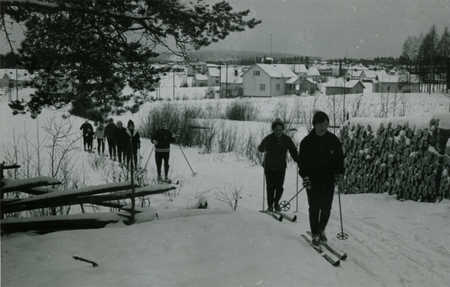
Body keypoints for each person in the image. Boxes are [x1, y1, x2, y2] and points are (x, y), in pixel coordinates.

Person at [298, 111, 344, 246]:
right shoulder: (306, 142)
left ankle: (321, 229)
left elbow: (339, 159)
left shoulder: (333, 140)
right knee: (314, 207)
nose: (324, 127)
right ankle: (315, 233)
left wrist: (340, 173)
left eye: (326, 124)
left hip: (328, 180)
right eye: (321, 124)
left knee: (326, 207)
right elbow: (302, 163)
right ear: (315, 125)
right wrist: (304, 177)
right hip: (312, 180)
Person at [258, 118, 298, 212]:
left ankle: (276, 204)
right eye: (276, 130)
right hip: (269, 167)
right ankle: (270, 206)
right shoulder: (269, 138)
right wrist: (263, 147)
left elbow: (293, 150)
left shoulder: (286, 139)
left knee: (279, 187)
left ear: (282, 130)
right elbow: (260, 148)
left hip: (281, 167)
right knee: (270, 187)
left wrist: (298, 160)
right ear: (273, 129)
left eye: (280, 130)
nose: (278, 132)